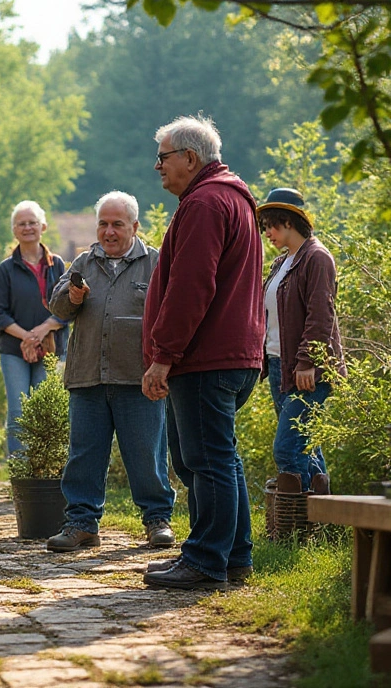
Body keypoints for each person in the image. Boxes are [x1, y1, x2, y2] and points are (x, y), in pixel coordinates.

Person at [141, 115, 265, 589]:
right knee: (221, 458)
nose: (158, 167)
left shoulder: (206, 203)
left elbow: (192, 289)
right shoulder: (229, 198)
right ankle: (234, 556)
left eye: (164, 157)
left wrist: (163, 355)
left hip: (207, 357)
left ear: (190, 158)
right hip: (233, 354)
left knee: (205, 461)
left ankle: (205, 560)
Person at [46, 191, 176, 552]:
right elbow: (56, 305)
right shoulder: (83, 263)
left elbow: (174, 315)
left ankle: (157, 520)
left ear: (134, 226)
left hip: (139, 379)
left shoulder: (157, 263)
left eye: (117, 224)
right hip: (88, 375)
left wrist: (164, 365)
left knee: (146, 454)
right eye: (103, 224)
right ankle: (81, 524)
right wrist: (72, 298)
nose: (108, 231)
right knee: (84, 455)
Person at [257, 187, 345, 494]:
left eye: (271, 224)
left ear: (289, 221)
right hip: (280, 367)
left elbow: (321, 315)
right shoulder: (281, 263)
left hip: (307, 371)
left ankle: (294, 527)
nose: (267, 231)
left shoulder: (317, 258)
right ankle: (317, 526)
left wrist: (308, 363)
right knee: (306, 450)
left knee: (288, 449)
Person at [0, 201, 68, 457]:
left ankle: (43, 469)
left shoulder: (57, 265)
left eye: (32, 222)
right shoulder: (5, 269)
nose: (27, 227)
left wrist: (43, 330)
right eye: (21, 223)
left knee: (45, 409)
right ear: (14, 230)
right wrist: (27, 337)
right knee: (18, 410)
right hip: (14, 350)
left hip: (51, 347)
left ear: (43, 226)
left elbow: (69, 308)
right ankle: (19, 471)